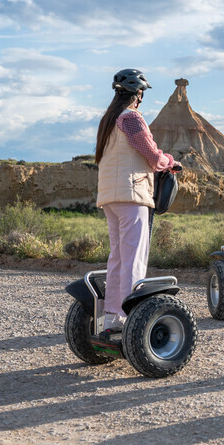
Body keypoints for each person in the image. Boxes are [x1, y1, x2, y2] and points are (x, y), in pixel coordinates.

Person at [95, 69, 179, 334]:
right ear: (137, 94)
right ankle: (132, 319)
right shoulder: (131, 118)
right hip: (132, 196)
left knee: (117, 259)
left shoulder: (109, 120)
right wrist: (170, 161)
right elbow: (151, 156)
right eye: (142, 94)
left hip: (110, 196)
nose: (142, 100)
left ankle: (112, 318)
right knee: (134, 259)